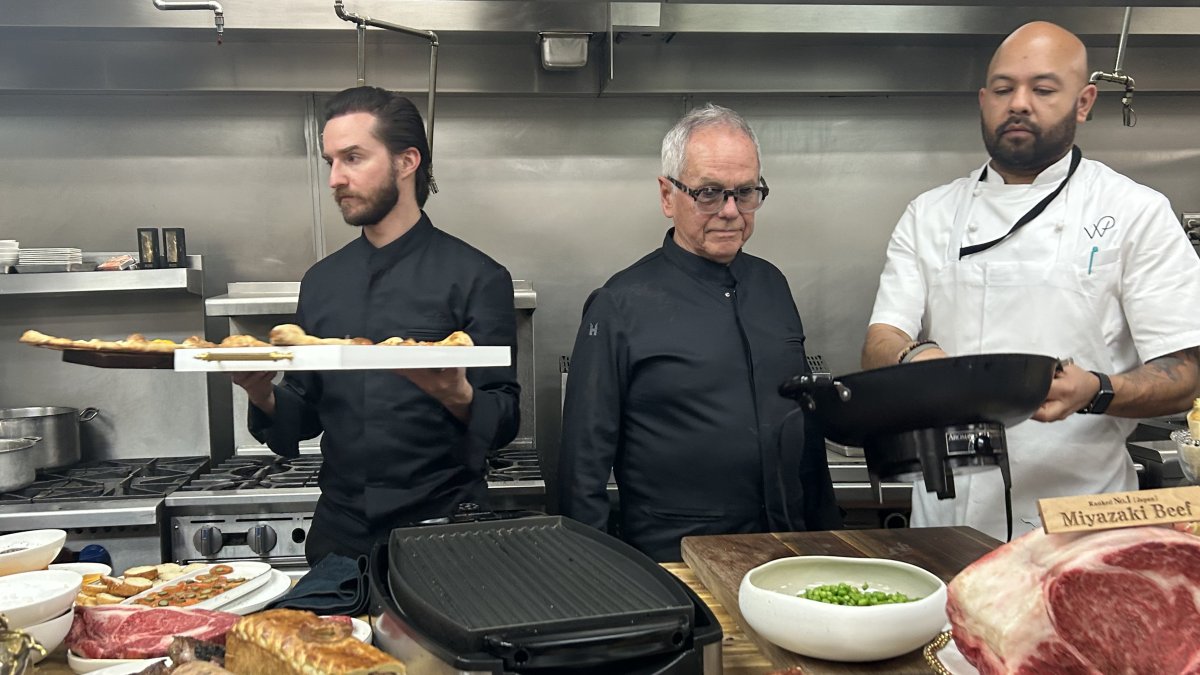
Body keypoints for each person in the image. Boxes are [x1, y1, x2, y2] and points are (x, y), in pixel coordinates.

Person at [862, 21, 1200, 541]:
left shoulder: (1136, 212)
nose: (1018, 103)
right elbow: (881, 341)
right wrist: (914, 358)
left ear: (1084, 102)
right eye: (1003, 89)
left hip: (1078, 525)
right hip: (945, 522)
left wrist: (1098, 391)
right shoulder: (929, 214)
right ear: (983, 99)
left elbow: (1186, 375)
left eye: (1043, 90)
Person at [234, 86, 520, 564]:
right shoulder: (321, 282)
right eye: (330, 162)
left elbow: (506, 416)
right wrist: (261, 392)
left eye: (352, 158)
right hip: (340, 535)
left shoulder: (478, 276)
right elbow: (303, 412)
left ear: (406, 162)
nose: (335, 179)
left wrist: (458, 396)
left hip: (444, 533)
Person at [559, 104, 841, 562]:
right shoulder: (620, 303)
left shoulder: (773, 286)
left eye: (745, 192)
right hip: (676, 562)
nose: (730, 211)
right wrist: (592, 580)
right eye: (709, 193)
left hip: (786, 552)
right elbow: (581, 467)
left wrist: (828, 543)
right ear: (668, 196)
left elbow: (804, 431)